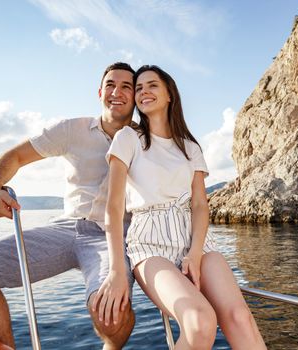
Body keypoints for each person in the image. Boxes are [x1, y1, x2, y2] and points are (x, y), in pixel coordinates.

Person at [0, 62, 137, 350]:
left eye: (126, 87)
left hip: (112, 237)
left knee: (111, 314)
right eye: (111, 84)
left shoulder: (150, 140)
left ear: (136, 97)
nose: (117, 92)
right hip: (65, 228)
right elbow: (14, 156)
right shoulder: (71, 130)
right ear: (100, 91)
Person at [94, 65, 266, 349]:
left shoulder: (190, 147)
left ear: (169, 94)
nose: (143, 92)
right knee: (200, 320)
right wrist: (116, 271)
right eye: (138, 88)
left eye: (152, 86)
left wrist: (195, 254)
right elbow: (113, 209)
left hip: (196, 240)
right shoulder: (127, 139)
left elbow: (200, 205)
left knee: (240, 317)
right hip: (150, 243)